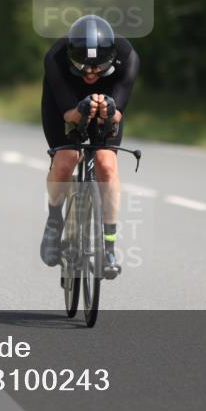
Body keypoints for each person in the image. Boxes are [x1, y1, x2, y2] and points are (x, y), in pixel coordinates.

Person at [40, 15, 140, 278]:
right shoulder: (56, 57)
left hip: (109, 101)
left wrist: (109, 110)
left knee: (107, 166)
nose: (90, 74)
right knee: (65, 160)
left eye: (97, 68)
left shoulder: (127, 56)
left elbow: (117, 113)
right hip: (65, 102)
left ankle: (109, 247)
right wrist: (79, 110)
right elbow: (68, 115)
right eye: (83, 68)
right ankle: (53, 220)